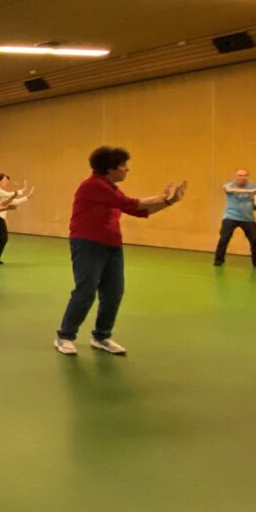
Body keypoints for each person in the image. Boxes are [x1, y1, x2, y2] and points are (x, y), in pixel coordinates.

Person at [54, 146, 186, 355]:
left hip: (112, 246)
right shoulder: (93, 186)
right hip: (87, 244)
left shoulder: (111, 189)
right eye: (123, 165)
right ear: (109, 168)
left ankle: (101, 336)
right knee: (86, 291)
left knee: (114, 293)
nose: (127, 169)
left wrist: (169, 201)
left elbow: (136, 209)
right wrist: (161, 196)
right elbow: (130, 203)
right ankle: (64, 336)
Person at [213, 169, 256, 268]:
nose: (242, 178)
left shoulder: (254, 187)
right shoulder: (228, 185)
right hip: (230, 217)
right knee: (224, 238)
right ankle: (218, 260)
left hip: (248, 218)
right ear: (235, 177)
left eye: (245, 175)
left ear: (248, 177)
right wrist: (250, 191)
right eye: (240, 175)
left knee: (255, 240)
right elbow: (230, 190)